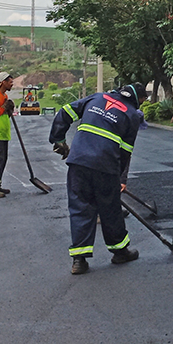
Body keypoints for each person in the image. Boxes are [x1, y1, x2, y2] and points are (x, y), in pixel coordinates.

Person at [49, 82, 145, 275]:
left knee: (80, 207)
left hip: (79, 162)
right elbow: (125, 152)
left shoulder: (97, 97)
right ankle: (120, 252)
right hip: (105, 166)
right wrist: (119, 179)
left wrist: (58, 139)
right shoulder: (132, 114)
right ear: (136, 98)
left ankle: (79, 260)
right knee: (110, 210)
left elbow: (65, 111)